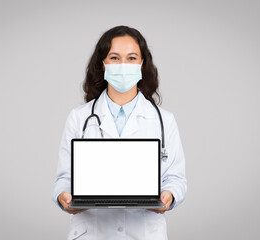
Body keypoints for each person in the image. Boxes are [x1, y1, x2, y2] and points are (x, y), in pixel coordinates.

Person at [52, 25, 187, 240]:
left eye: (131, 58)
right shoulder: (79, 117)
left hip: (143, 233)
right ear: (102, 64)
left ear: (142, 65)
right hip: (92, 233)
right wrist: (64, 197)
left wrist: (169, 195)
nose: (123, 65)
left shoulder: (164, 120)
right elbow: (64, 178)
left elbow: (176, 178)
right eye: (114, 58)